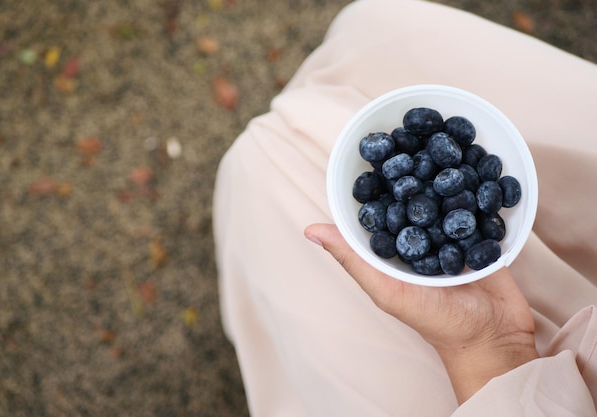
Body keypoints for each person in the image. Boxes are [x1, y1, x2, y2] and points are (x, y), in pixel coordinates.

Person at [212, 0, 597, 415]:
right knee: (374, 21)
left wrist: (490, 346)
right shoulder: (430, 180)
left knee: (260, 157)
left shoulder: (439, 215)